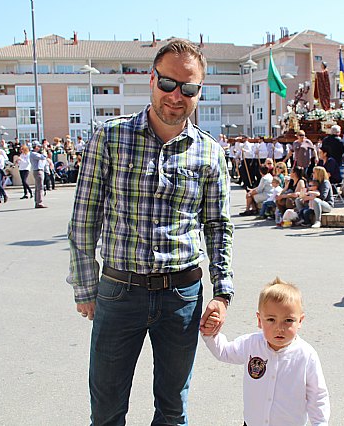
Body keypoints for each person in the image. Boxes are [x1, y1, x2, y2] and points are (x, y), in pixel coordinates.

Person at [67, 38, 234, 425]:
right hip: (118, 292)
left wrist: (222, 293)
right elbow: (83, 220)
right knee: (106, 408)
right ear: (151, 79)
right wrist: (85, 287)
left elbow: (218, 226)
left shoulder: (210, 152)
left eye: (188, 88)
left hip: (182, 295)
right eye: (168, 83)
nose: (176, 96)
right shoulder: (109, 138)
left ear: (199, 92)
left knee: (173, 409)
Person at [201, 277, 330, 426]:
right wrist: (210, 333)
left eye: (288, 320)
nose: (279, 328)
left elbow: (318, 395)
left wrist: (320, 423)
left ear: (300, 321)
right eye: (271, 319)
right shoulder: (251, 344)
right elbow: (224, 351)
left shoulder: (306, 355)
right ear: (259, 320)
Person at [29, 141, 47, 208]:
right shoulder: (34, 154)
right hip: (38, 171)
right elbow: (43, 157)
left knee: (38, 187)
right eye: (38, 147)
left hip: (38, 170)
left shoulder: (34, 153)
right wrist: (44, 150)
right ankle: (39, 202)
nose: (39, 148)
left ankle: (37, 201)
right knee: (39, 187)